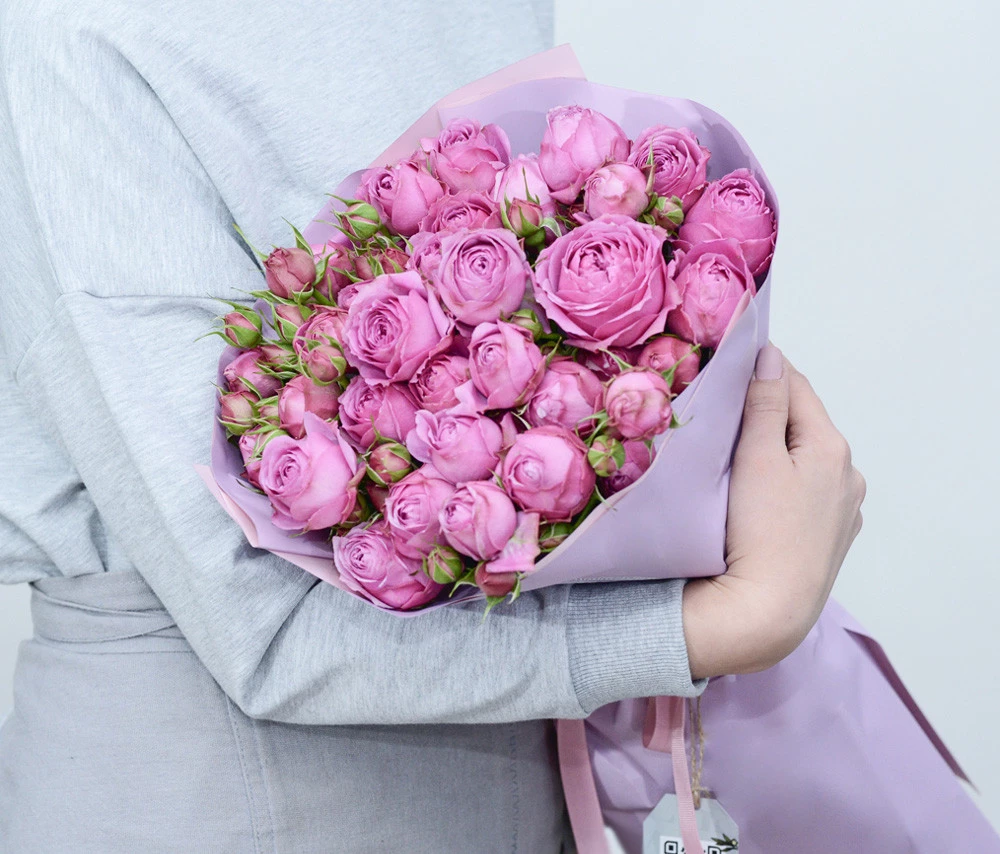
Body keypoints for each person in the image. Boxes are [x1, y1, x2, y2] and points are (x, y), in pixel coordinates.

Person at [0, 0, 864, 850]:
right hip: (212, 799)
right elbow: (260, 629)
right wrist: (720, 622)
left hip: (525, 769)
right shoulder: (78, 33)